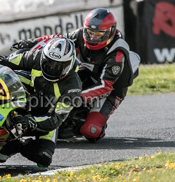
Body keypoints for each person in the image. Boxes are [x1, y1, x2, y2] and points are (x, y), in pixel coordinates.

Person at [10, 8, 140, 142]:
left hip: (110, 91)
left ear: (111, 32)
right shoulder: (80, 34)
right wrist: (33, 42)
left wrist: (72, 98)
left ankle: (84, 123)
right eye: (90, 32)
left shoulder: (116, 53)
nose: (93, 38)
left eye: (99, 34)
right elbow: (58, 39)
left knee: (90, 131)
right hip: (88, 75)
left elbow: (104, 86)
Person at [0, 38, 82, 167]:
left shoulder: (73, 88)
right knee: (1, 75)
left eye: (58, 66)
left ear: (69, 65)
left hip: (44, 117)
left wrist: (30, 122)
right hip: (25, 95)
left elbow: (56, 120)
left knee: (43, 158)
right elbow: (7, 61)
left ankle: (16, 145)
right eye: (48, 62)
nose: (51, 68)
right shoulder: (37, 56)